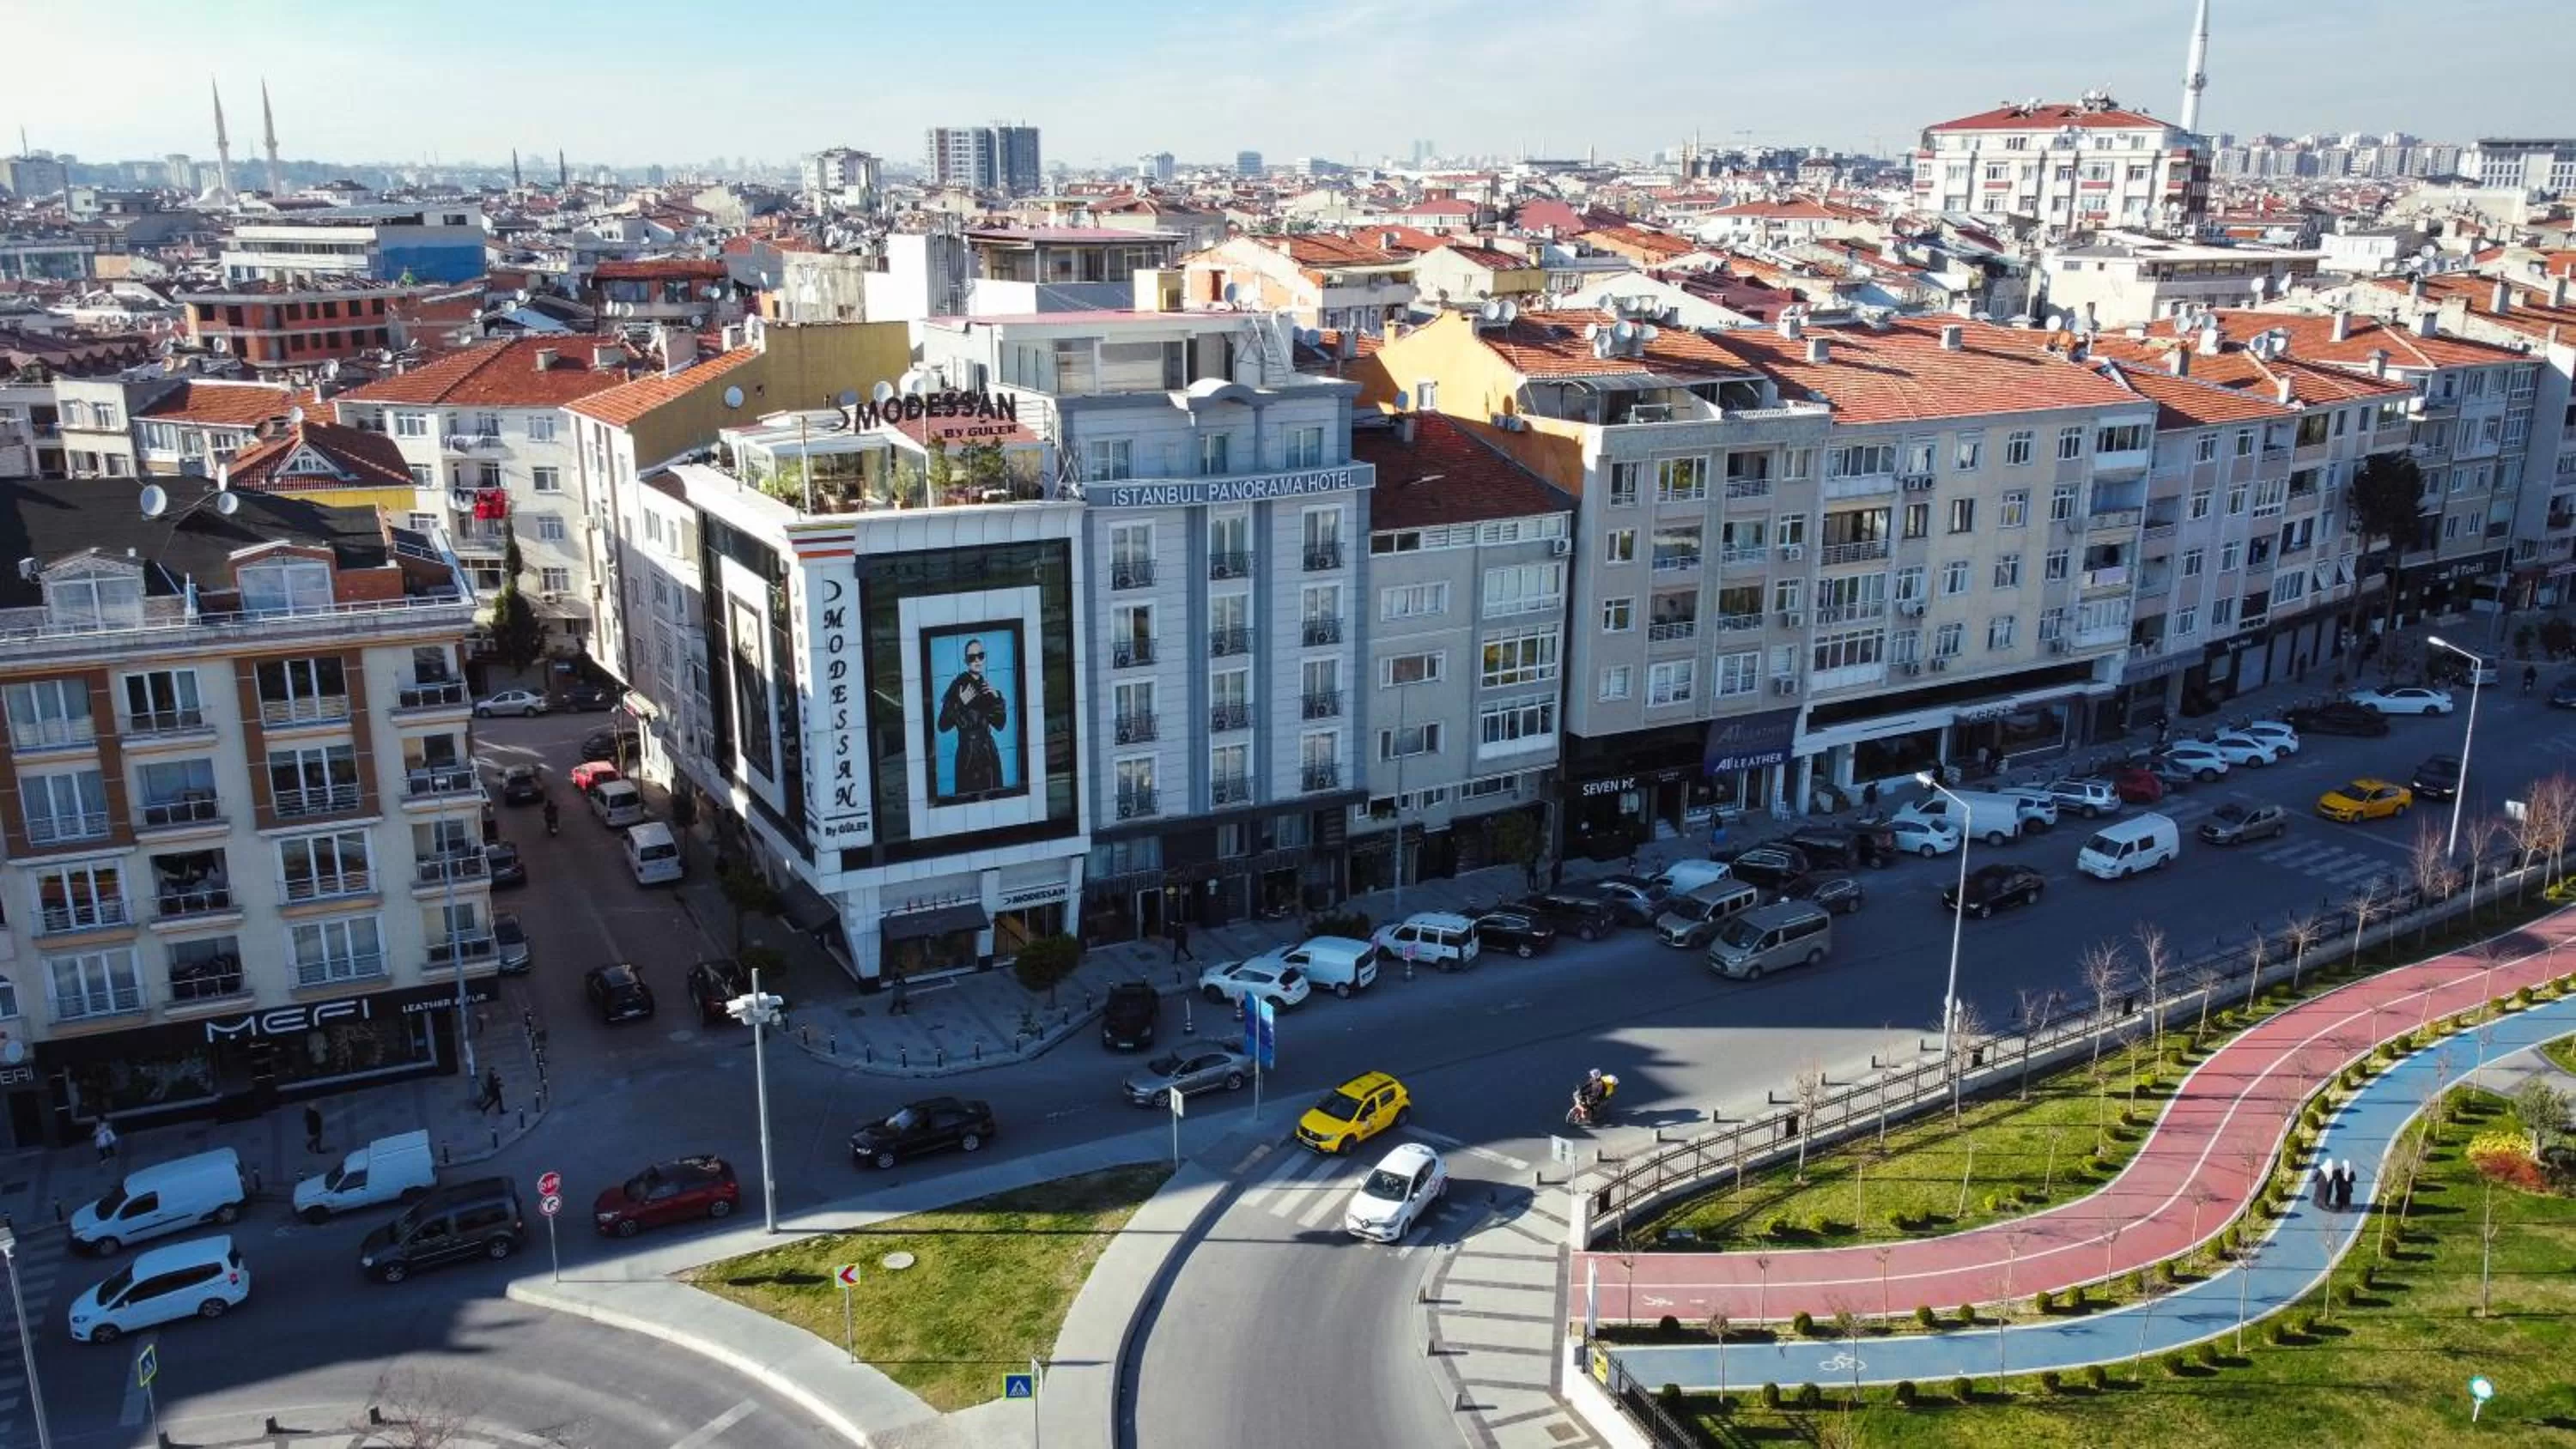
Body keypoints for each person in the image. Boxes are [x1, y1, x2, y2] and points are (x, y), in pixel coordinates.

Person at [935, 636, 1010, 798]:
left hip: (989, 753)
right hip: (968, 755)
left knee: (994, 804)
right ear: (965, 660)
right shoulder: (958, 685)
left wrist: (997, 699)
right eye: (972, 657)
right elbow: (942, 726)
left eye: (980, 656)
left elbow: (1000, 725)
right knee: (969, 805)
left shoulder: (986, 687)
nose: (977, 660)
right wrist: (959, 703)